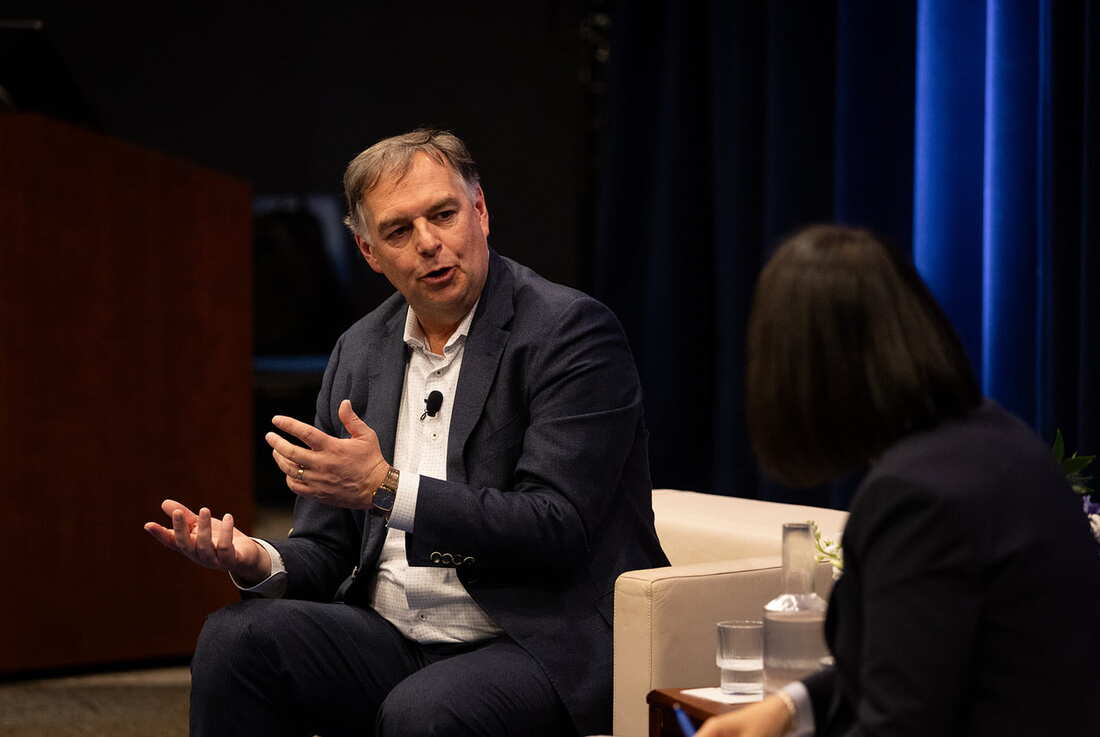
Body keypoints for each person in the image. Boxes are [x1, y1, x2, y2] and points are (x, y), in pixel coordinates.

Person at [144, 129, 669, 737]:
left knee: (426, 711)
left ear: (480, 211)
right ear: (369, 252)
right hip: (393, 635)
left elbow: (558, 526)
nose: (428, 243)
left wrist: (387, 489)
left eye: (444, 215)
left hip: (535, 637)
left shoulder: (569, 333)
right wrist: (257, 559)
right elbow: (328, 549)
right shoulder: (360, 349)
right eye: (398, 231)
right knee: (236, 640)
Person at [696, 225, 1100, 737]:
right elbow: (921, 663)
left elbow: (901, 721)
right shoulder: (998, 439)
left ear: (803, 371)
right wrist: (789, 706)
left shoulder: (915, 497)